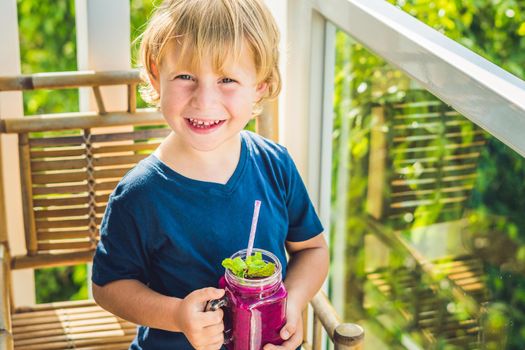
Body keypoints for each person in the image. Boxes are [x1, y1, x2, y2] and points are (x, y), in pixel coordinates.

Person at [91, 0, 329, 349]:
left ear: (260, 85)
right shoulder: (139, 195)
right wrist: (176, 315)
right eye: (186, 76)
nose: (204, 101)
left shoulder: (275, 165)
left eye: (227, 79)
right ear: (157, 75)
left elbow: (312, 250)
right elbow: (108, 288)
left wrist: (291, 302)